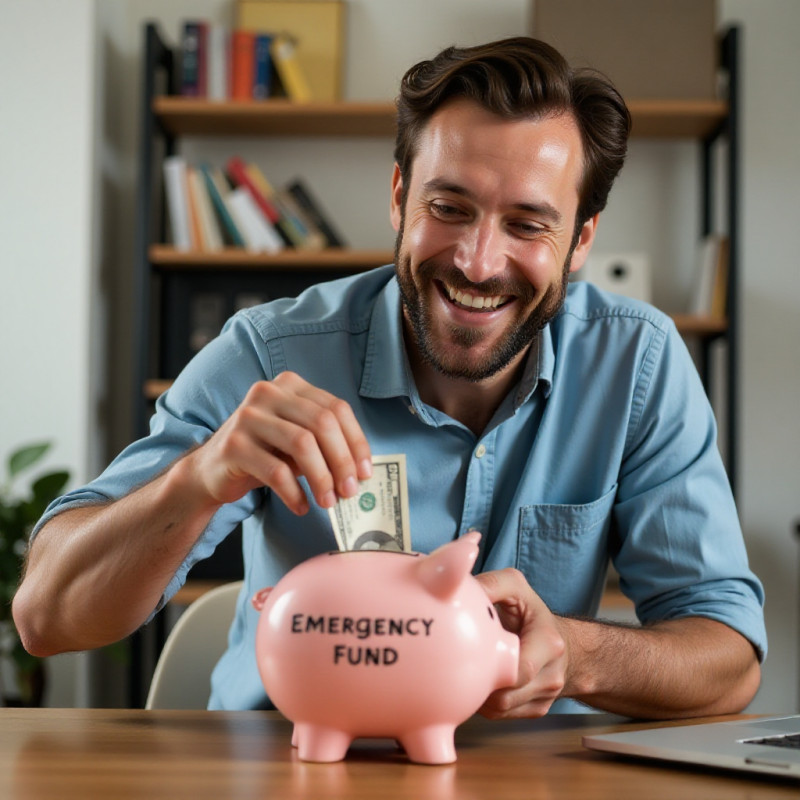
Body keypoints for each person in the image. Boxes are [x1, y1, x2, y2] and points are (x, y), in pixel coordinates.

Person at [13, 37, 765, 718]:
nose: (477, 262)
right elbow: (46, 617)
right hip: (285, 763)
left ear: (580, 242)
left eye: (528, 225)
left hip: (530, 775)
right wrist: (201, 476)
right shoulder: (267, 354)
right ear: (401, 196)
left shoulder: (637, 362)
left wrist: (578, 653)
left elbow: (729, 661)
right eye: (449, 206)